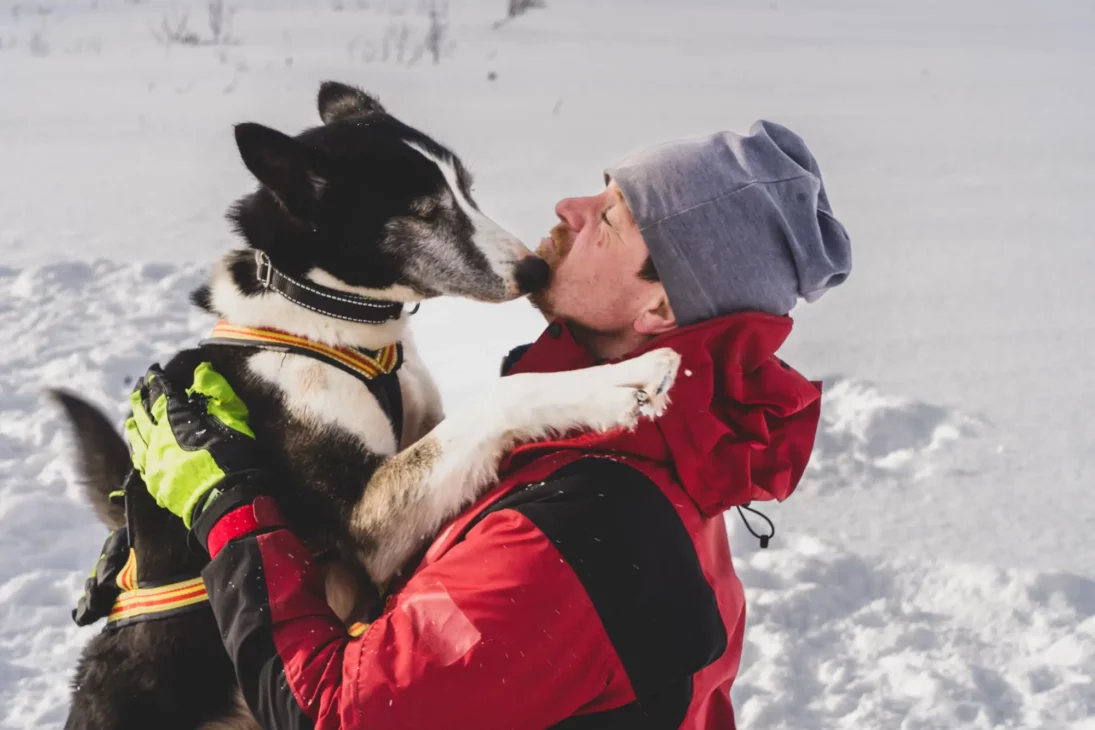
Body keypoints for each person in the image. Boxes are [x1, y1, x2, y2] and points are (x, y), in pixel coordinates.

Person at [124, 120, 851, 729]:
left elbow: (333, 713)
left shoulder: (580, 526)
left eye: (610, 216)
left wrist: (225, 505)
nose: (569, 205)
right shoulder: (651, 444)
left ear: (658, 310)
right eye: (597, 187)